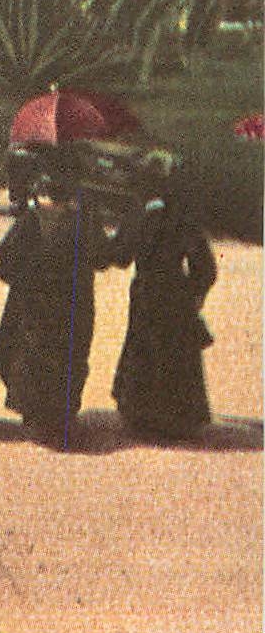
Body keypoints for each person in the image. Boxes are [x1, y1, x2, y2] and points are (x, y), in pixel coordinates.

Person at [0, 168, 114, 446]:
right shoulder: (84, 222)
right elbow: (104, 258)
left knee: (32, 353)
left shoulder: (30, 221)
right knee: (71, 353)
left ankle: (33, 411)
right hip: (74, 302)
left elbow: (6, 261)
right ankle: (63, 413)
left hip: (35, 302)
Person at [107, 152, 218, 439]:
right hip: (176, 290)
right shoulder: (185, 216)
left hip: (147, 289)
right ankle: (178, 417)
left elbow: (120, 256)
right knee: (176, 353)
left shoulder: (140, 213)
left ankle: (142, 413)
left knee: (144, 348)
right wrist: (194, 294)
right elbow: (205, 267)